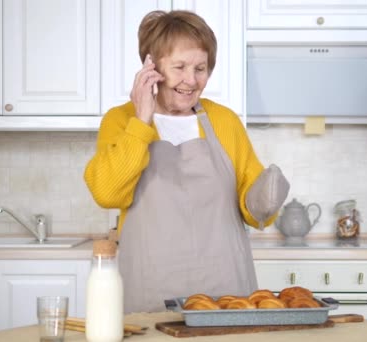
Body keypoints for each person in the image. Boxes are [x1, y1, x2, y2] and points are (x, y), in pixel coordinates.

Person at [84, 10, 289, 313]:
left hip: (226, 291)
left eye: (200, 68)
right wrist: (142, 119)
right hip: (149, 288)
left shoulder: (224, 121)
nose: (191, 80)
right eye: (179, 67)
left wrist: (264, 201)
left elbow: (252, 206)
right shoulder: (122, 120)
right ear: (152, 66)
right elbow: (107, 193)